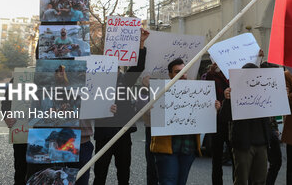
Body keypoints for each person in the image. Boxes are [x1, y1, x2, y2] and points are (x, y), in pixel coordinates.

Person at [150, 58, 220, 185]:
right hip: (167, 149)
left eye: (184, 71)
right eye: (177, 72)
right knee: (168, 182)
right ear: (170, 74)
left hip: (188, 148)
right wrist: (150, 108)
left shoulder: (196, 90)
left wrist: (213, 107)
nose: (182, 75)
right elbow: (147, 116)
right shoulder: (159, 91)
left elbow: (203, 115)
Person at [93, 28, 149, 185]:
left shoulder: (126, 80)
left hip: (122, 134)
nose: (115, 71)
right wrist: (102, 108)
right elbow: (88, 105)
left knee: (124, 173)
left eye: (116, 68)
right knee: (100, 173)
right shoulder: (96, 83)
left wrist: (141, 44)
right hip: (104, 134)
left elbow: (138, 67)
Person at [220, 63, 271, 185]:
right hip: (243, 144)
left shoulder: (265, 89)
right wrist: (227, 100)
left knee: (260, 180)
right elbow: (224, 117)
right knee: (241, 180)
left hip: (262, 143)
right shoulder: (235, 91)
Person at [203, 62, 232, 185]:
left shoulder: (235, 74)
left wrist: (258, 59)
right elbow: (206, 91)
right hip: (217, 122)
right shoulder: (210, 76)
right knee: (217, 159)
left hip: (233, 122)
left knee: (236, 159)